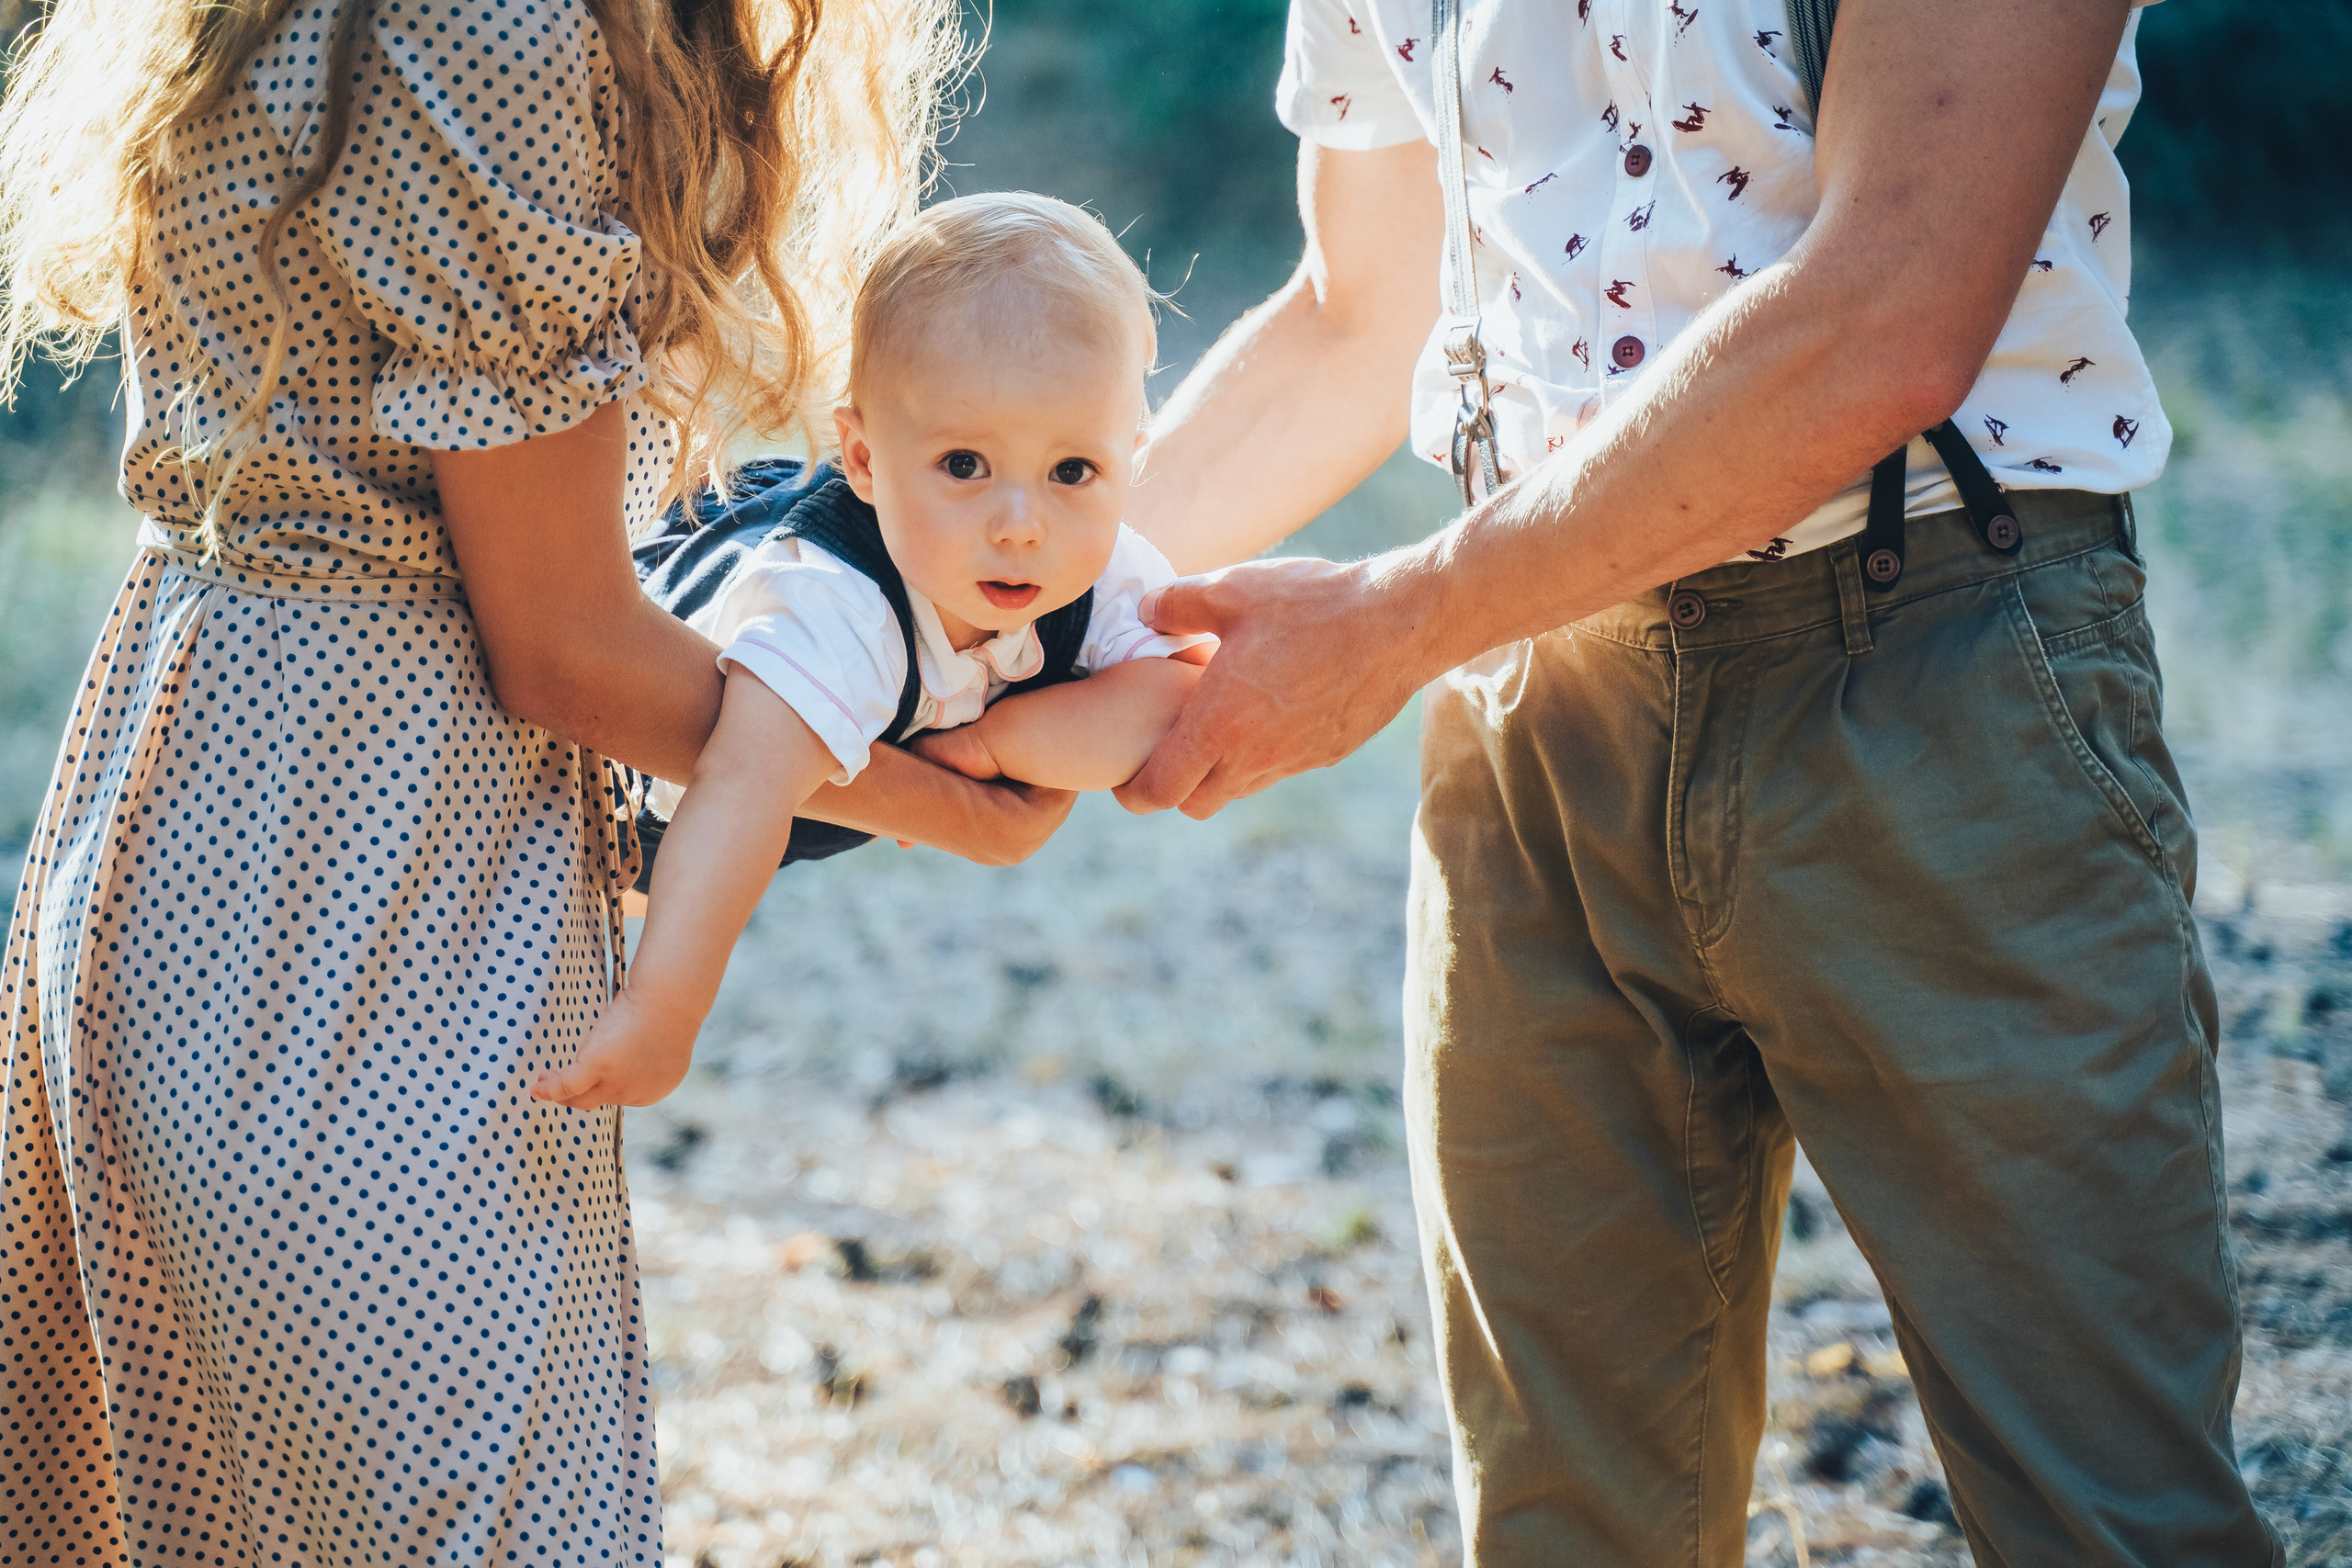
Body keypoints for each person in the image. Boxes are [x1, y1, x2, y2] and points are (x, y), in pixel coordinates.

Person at [1119, 0, 2281, 1562]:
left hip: (1941, 675)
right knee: (1569, 1527)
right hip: (1534, 702)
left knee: (2105, 1512)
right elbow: (1353, 309)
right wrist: (983, 625)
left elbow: (1892, 308)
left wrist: (1402, 619)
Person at [0, 2, 1067, 1560]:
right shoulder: (495, 24)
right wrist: (935, 786)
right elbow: (559, 645)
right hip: (357, 896)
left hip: (199, 808)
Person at [531, 193, 1213, 1111]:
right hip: (584, 787)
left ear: (1127, 460)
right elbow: (740, 789)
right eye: (964, 465)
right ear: (860, 457)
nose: (1021, 527)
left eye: (1072, 471)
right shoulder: (835, 602)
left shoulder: (1102, 570)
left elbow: (1173, 703)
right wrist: (663, 1013)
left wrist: (995, 748)